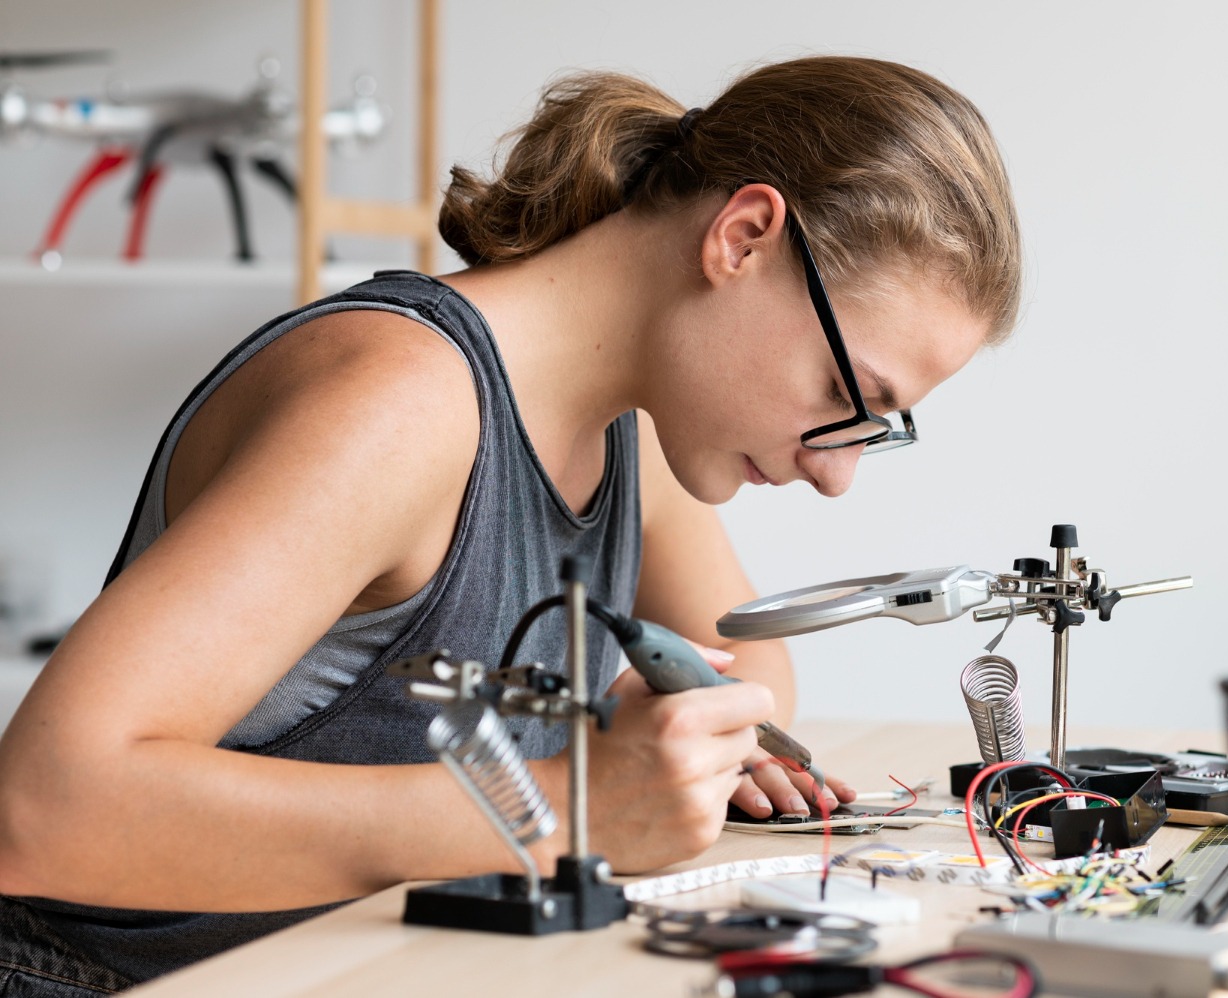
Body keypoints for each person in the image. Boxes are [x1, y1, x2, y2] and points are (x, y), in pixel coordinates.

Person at [0, 55, 1021, 994]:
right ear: (742, 237)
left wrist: (698, 739)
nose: (836, 473)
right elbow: (43, 811)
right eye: (845, 390)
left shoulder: (633, 424)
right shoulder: (400, 405)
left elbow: (741, 665)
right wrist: (561, 808)